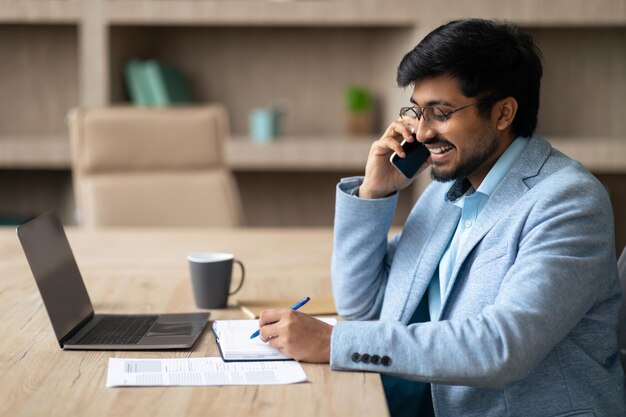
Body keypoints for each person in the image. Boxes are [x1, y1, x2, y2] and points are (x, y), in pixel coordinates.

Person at [257, 18, 625, 416]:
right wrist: (373, 192)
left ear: (503, 114)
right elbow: (362, 305)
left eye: (441, 113)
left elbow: (501, 347)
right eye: (418, 112)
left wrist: (334, 342)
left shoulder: (568, 202)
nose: (423, 132)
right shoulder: (447, 192)